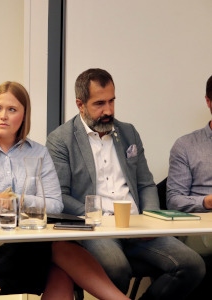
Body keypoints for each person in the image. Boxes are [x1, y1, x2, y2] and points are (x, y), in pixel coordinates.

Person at [0, 80, 129, 300]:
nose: (3, 116)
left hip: (31, 244)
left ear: (24, 115)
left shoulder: (39, 153)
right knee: (60, 254)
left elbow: (55, 203)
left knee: (59, 256)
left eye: (12, 110)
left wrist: (15, 203)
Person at [46, 68, 206, 299]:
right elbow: (59, 196)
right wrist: (98, 217)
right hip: (98, 228)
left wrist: (149, 218)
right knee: (116, 268)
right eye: (99, 103)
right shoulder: (61, 140)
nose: (108, 110)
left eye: (112, 101)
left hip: (136, 224)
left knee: (192, 265)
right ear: (80, 105)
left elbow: (146, 184)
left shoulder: (128, 132)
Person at [166, 74, 212, 299]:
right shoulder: (186, 146)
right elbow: (173, 199)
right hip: (201, 228)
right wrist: (206, 201)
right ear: (208, 102)